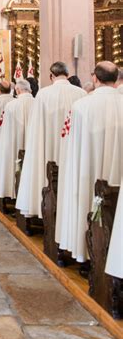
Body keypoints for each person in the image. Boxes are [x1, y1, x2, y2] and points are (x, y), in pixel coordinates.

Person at [57, 61, 123, 263]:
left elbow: (70, 144)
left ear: (95, 78)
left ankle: (84, 253)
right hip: (117, 176)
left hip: (88, 172)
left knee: (85, 202)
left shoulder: (81, 106)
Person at [16, 61, 86, 220]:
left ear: (50, 76)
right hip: (72, 148)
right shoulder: (80, 93)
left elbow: (36, 126)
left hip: (47, 148)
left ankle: (44, 209)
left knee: (46, 174)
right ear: (67, 75)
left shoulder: (43, 94)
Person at [0, 79, 34, 200]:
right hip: (32, 149)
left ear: (17, 90)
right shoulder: (38, 103)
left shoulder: (10, 106)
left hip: (14, 147)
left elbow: (3, 129)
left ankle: (12, 191)